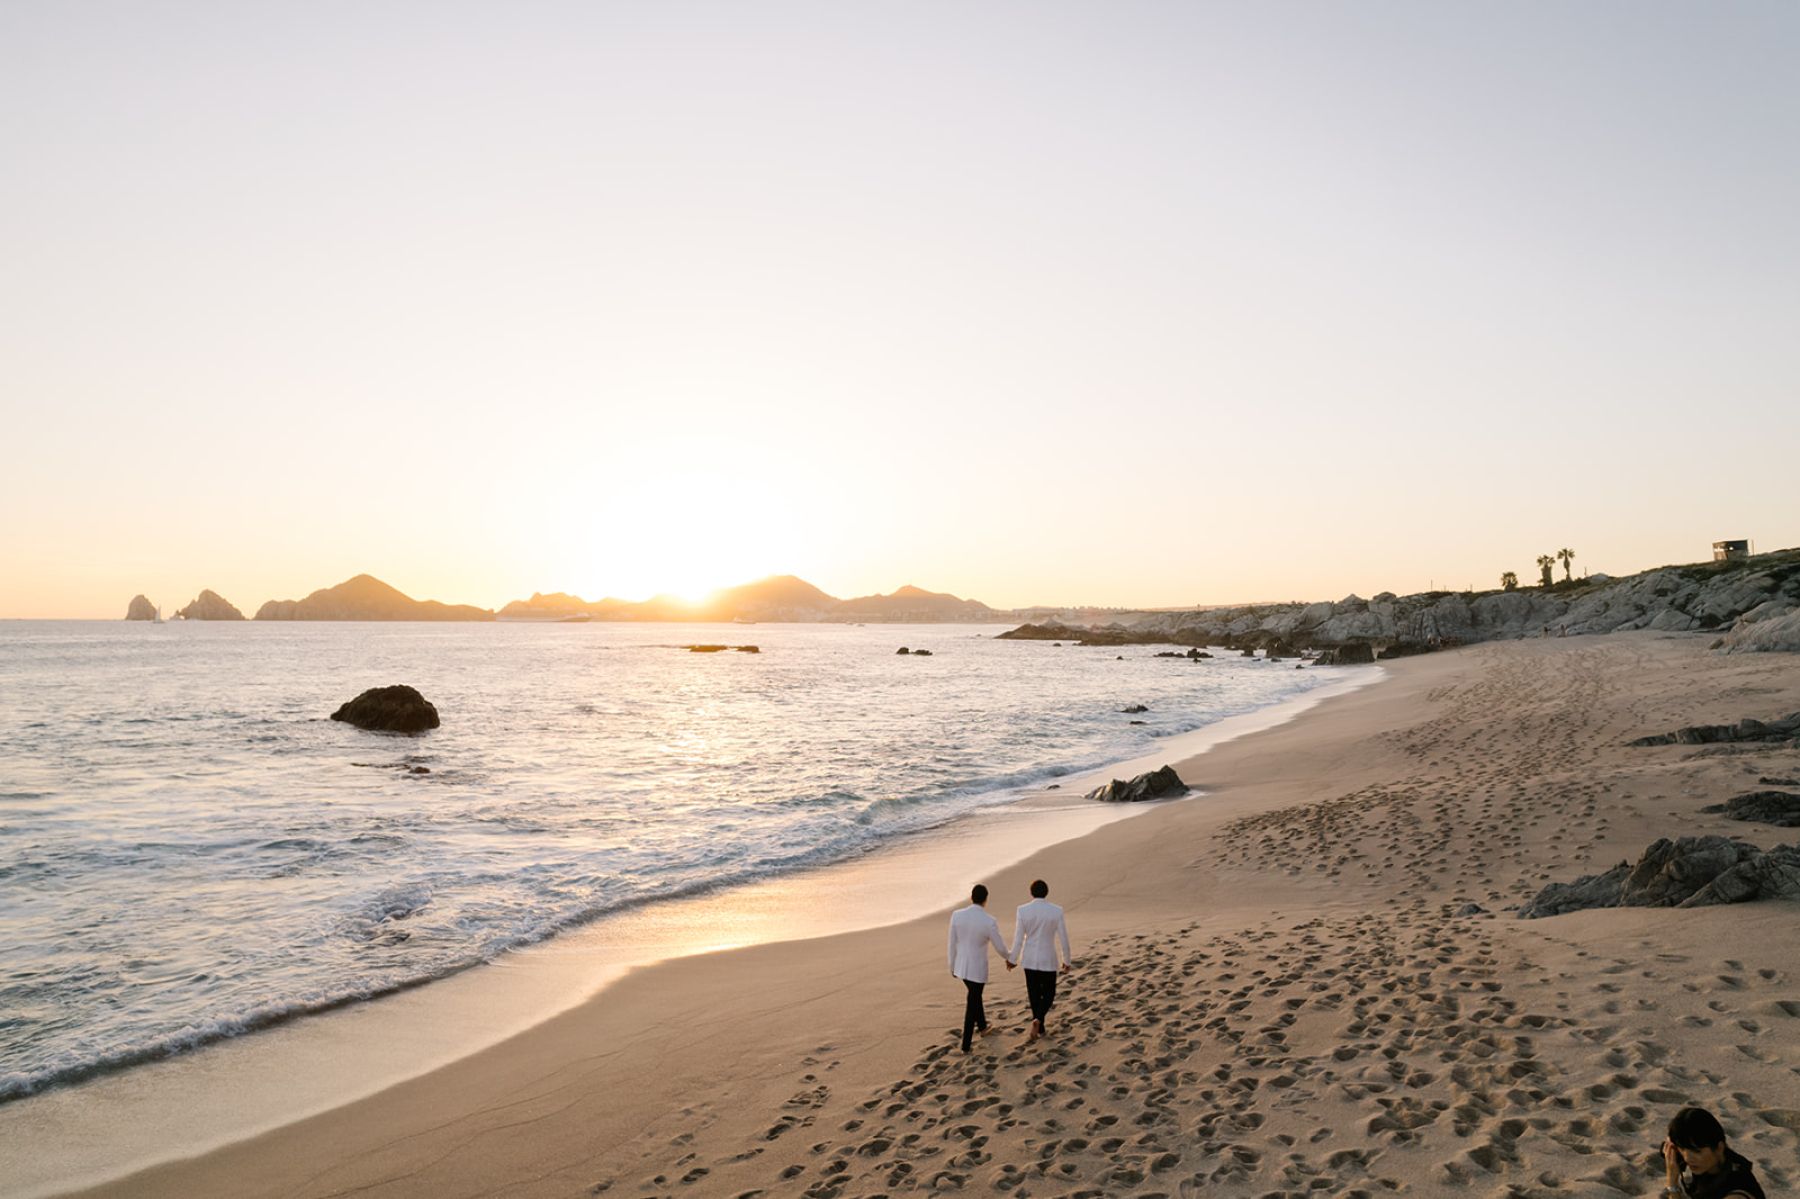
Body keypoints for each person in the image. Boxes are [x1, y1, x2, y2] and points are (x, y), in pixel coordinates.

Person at [947, 883, 1014, 1052]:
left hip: (961, 967)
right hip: (977, 969)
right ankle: (966, 1044)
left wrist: (952, 965)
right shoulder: (989, 921)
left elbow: (951, 943)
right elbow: (1000, 947)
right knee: (973, 1001)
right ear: (985, 900)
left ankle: (983, 1027)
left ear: (971, 897)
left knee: (975, 998)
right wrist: (1010, 958)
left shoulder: (957, 915)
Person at [1010, 879, 1072, 1043]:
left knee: (1034, 994)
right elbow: (1063, 938)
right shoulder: (1056, 911)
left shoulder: (1022, 910)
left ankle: (1039, 1024)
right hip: (1048, 958)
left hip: (1029, 959)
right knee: (1049, 993)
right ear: (1047, 892)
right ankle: (1039, 1020)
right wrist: (1067, 960)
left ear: (1031, 893)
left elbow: (1018, 939)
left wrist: (1012, 959)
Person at [1661, 1106, 1766, 1198]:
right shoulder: (1720, 1165)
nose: (1687, 1158)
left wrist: (1672, 1184)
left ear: (1719, 1148)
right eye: (1682, 1149)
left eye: (1696, 1151)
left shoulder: (1736, 1192)